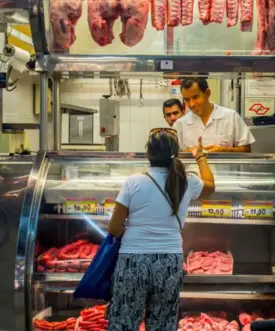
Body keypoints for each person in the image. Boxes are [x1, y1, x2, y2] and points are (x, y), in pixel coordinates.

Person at [106, 129, 215, 331]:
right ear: (176, 153)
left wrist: (132, 236)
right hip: (169, 262)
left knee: (124, 322)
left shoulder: (133, 182)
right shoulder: (187, 181)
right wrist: (200, 156)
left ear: (148, 153)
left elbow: (114, 227)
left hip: (133, 261)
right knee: (163, 323)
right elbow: (211, 185)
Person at [173, 77, 255, 153]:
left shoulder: (231, 117)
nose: (191, 104)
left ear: (207, 93)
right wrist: (185, 154)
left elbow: (246, 149)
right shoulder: (180, 125)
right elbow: (172, 156)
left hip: (223, 168)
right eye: (187, 100)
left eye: (195, 97)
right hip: (191, 169)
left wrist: (225, 150)